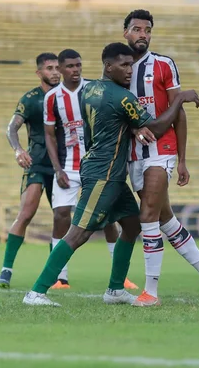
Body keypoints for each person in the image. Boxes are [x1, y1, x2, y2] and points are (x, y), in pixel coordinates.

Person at [23, 42, 199, 306]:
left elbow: (113, 121)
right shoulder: (122, 97)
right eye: (124, 65)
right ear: (108, 66)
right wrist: (179, 100)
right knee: (78, 233)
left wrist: (131, 129)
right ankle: (36, 292)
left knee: (132, 224)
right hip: (103, 174)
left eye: (131, 64)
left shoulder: (89, 89)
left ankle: (115, 290)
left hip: (108, 171)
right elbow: (157, 126)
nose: (130, 70)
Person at [122, 9, 199, 306]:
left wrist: (181, 159)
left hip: (162, 151)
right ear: (125, 32)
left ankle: (151, 292)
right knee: (167, 221)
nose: (143, 34)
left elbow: (178, 112)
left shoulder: (164, 65)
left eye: (148, 30)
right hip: (134, 154)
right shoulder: (119, 68)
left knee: (148, 215)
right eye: (137, 29)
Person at [43, 48, 137, 290]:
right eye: (70, 66)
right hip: (80, 166)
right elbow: (50, 135)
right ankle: (51, 282)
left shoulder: (92, 89)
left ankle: (118, 285)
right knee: (67, 221)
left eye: (78, 65)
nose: (76, 70)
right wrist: (57, 169)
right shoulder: (53, 97)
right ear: (61, 69)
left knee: (125, 222)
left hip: (102, 167)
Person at [0, 53, 60, 288]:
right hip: (38, 163)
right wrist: (18, 150)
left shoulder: (68, 95)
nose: (55, 72)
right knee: (26, 213)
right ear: (39, 73)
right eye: (49, 68)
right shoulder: (31, 99)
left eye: (57, 67)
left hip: (63, 166)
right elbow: (12, 128)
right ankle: (6, 270)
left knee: (62, 218)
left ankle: (57, 274)